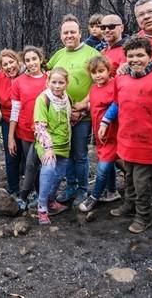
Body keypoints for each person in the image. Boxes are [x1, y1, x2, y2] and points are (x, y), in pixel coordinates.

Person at [100, 37, 152, 233]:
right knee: (129, 176)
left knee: (142, 182)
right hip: (127, 138)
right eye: (130, 55)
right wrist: (106, 120)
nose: (135, 59)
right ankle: (129, 205)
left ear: (151, 56)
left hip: (151, 141)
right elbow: (117, 103)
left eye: (140, 55)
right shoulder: (121, 78)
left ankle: (143, 216)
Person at [47, 14, 100, 206]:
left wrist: (84, 105)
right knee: (66, 153)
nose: (69, 35)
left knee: (79, 154)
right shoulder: (58, 55)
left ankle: (83, 190)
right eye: (65, 32)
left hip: (82, 115)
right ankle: (70, 186)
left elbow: (100, 83)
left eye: (73, 32)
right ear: (61, 35)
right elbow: (47, 76)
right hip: (61, 116)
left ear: (80, 33)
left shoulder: (92, 54)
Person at [78, 55, 120, 213]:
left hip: (113, 134)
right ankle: (112, 191)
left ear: (109, 71)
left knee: (102, 168)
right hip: (100, 135)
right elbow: (94, 106)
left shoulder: (115, 85)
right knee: (108, 165)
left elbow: (118, 105)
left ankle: (94, 197)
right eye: (94, 72)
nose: (98, 75)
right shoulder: (94, 88)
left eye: (101, 71)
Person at [10, 46, 49, 210]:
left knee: (37, 164)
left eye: (34, 59)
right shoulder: (19, 81)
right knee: (31, 163)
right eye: (27, 60)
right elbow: (15, 110)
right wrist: (11, 136)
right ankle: (36, 194)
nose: (31, 63)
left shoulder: (49, 78)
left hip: (45, 130)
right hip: (25, 130)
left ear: (41, 59)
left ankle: (28, 196)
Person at [34, 67, 73, 224]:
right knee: (49, 169)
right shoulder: (43, 99)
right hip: (46, 143)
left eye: (61, 83)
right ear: (48, 82)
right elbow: (40, 126)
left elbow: (68, 118)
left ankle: (51, 201)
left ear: (66, 83)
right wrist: (48, 148)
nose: (57, 86)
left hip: (64, 143)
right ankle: (41, 207)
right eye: (54, 82)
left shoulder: (67, 98)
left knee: (59, 175)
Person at [0, 49, 23, 196]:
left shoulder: (26, 74)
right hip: (7, 119)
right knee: (11, 154)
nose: (9, 66)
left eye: (12, 62)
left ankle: (31, 189)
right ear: (1, 67)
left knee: (28, 155)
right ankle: (14, 189)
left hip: (25, 120)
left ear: (18, 62)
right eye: (5, 64)